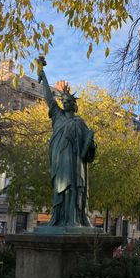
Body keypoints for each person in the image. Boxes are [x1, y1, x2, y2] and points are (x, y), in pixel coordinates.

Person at [37, 57, 97, 227]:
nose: (64, 102)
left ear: (74, 104)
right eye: (63, 100)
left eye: (67, 101)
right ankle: (58, 218)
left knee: (74, 189)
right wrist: (43, 74)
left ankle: (75, 219)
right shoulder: (57, 116)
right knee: (60, 188)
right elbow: (49, 98)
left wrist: (91, 142)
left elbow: (89, 151)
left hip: (76, 163)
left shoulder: (80, 123)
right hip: (59, 161)